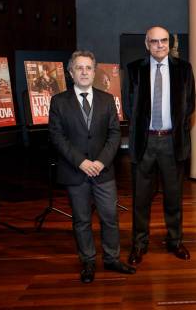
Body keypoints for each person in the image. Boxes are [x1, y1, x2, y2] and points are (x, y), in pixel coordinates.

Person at [49, 50, 135, 284]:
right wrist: (81, 162)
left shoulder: (107, 100)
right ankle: (88, 261)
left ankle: (112, 259)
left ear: (94, 72)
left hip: (103, 171)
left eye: (88, 68)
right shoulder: (59, 102)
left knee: (110, 217)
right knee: (81, 220)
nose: (84, 72)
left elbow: (115, 135)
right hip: (74, 171)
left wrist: (100, 162)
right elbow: (57, 137)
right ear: (71, 72)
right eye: (79, 68)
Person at [126, 26, 195, 266]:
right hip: (144, 142)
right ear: (147, 44)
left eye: (163, 41)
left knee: (173, 198)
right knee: (140, 199)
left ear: (169, 43)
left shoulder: (184, 70)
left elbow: (190, 106)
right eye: (154, 41)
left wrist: (174, 130)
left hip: (171, 142)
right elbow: (129, 106)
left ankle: (175, 241)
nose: (159, 45)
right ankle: (139, 244)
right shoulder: (134, 69)